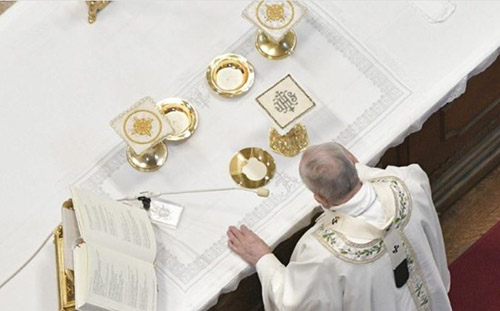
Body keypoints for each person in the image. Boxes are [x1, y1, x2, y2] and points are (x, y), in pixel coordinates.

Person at [227, 142, 451, 311]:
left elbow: (294, 300)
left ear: (320, 199)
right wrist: (357, 168)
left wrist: (263, 259)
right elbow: (381, 177)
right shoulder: (408, 182)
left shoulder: (324, 252)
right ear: (353, 167)